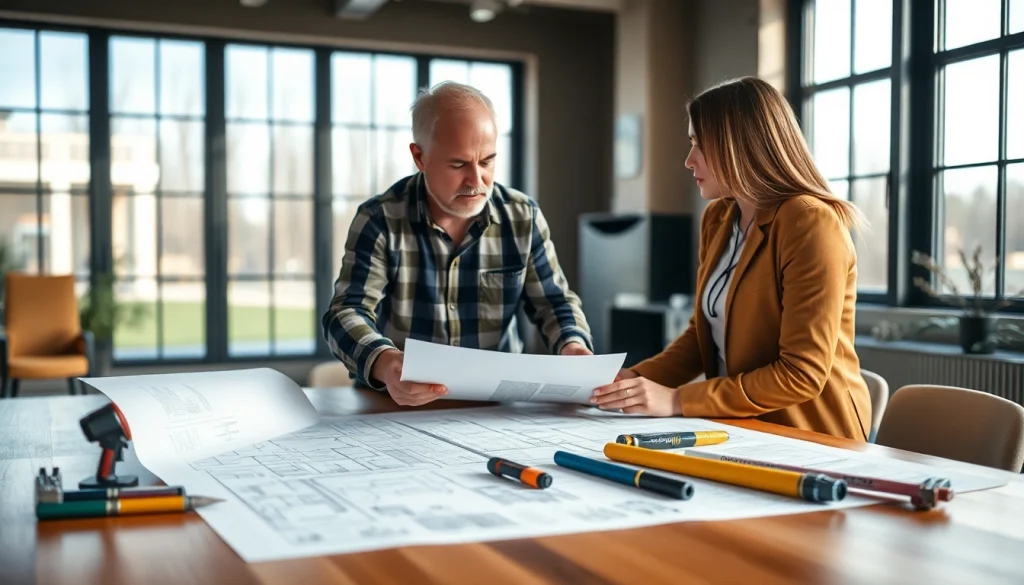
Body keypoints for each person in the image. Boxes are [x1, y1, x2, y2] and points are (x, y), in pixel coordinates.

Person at [592, 76, 872, 441]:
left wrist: (677, 400)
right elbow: (701, 335)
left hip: (810, 435)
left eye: (699, 145)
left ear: (741, 146)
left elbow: (801, 373)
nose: (689, 160)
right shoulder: (719, 219)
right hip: (738, 426)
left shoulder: (810, 222)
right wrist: (636, 380)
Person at [322, 81, 593, 407]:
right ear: (420, 157)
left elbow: (555, 303)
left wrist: (573, 347)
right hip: (395, 405)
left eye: (487, 161)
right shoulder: (379, 219)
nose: (477, 182)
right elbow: (346, 312)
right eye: (459, 164)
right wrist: (385, 362)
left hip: (494, 408)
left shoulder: (524, 217)